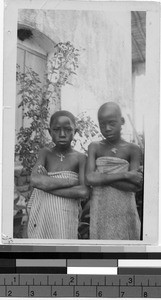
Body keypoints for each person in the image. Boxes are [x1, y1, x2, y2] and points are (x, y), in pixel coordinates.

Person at [27, 110, 89, 239]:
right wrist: (72, 182)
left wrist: (47, 184)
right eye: (56, 130)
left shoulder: (80, 158)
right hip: (43, 214)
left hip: (66, 216)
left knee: (64, 250)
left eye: (67, 129)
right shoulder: (45, 153)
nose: (62, 134)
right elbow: (35, 180)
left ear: (75, 131)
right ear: (50, 132)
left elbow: (83, 192)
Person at [86, 102, 143, 240]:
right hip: (101, 209)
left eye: (112, 123)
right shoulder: (95, 147)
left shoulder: (133, 149)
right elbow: (89, 179)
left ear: (122, 121)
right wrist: (126, 174)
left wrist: (101, 178)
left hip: (125, 209)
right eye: (102, 124)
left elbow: (134, 186)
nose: (107, 128)